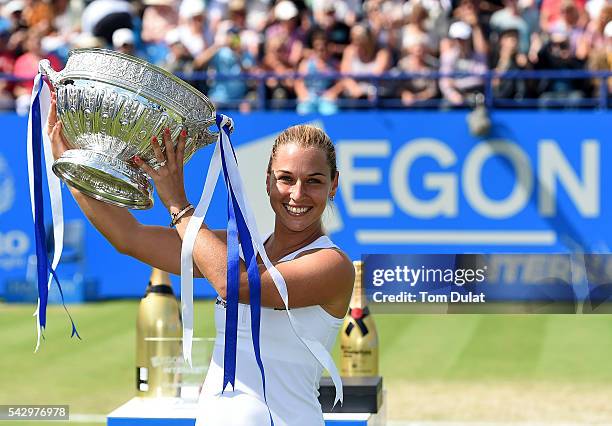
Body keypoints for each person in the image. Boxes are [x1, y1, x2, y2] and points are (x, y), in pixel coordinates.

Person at [46, 96, 354, 426]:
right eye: (286, 178)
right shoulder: (235, 250)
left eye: (314, 181)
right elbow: (129, 237)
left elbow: (231, 284)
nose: (296, 194)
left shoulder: (332, 265)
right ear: (267, 180)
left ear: (333, 184)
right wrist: (72, 168)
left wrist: (179, 204)